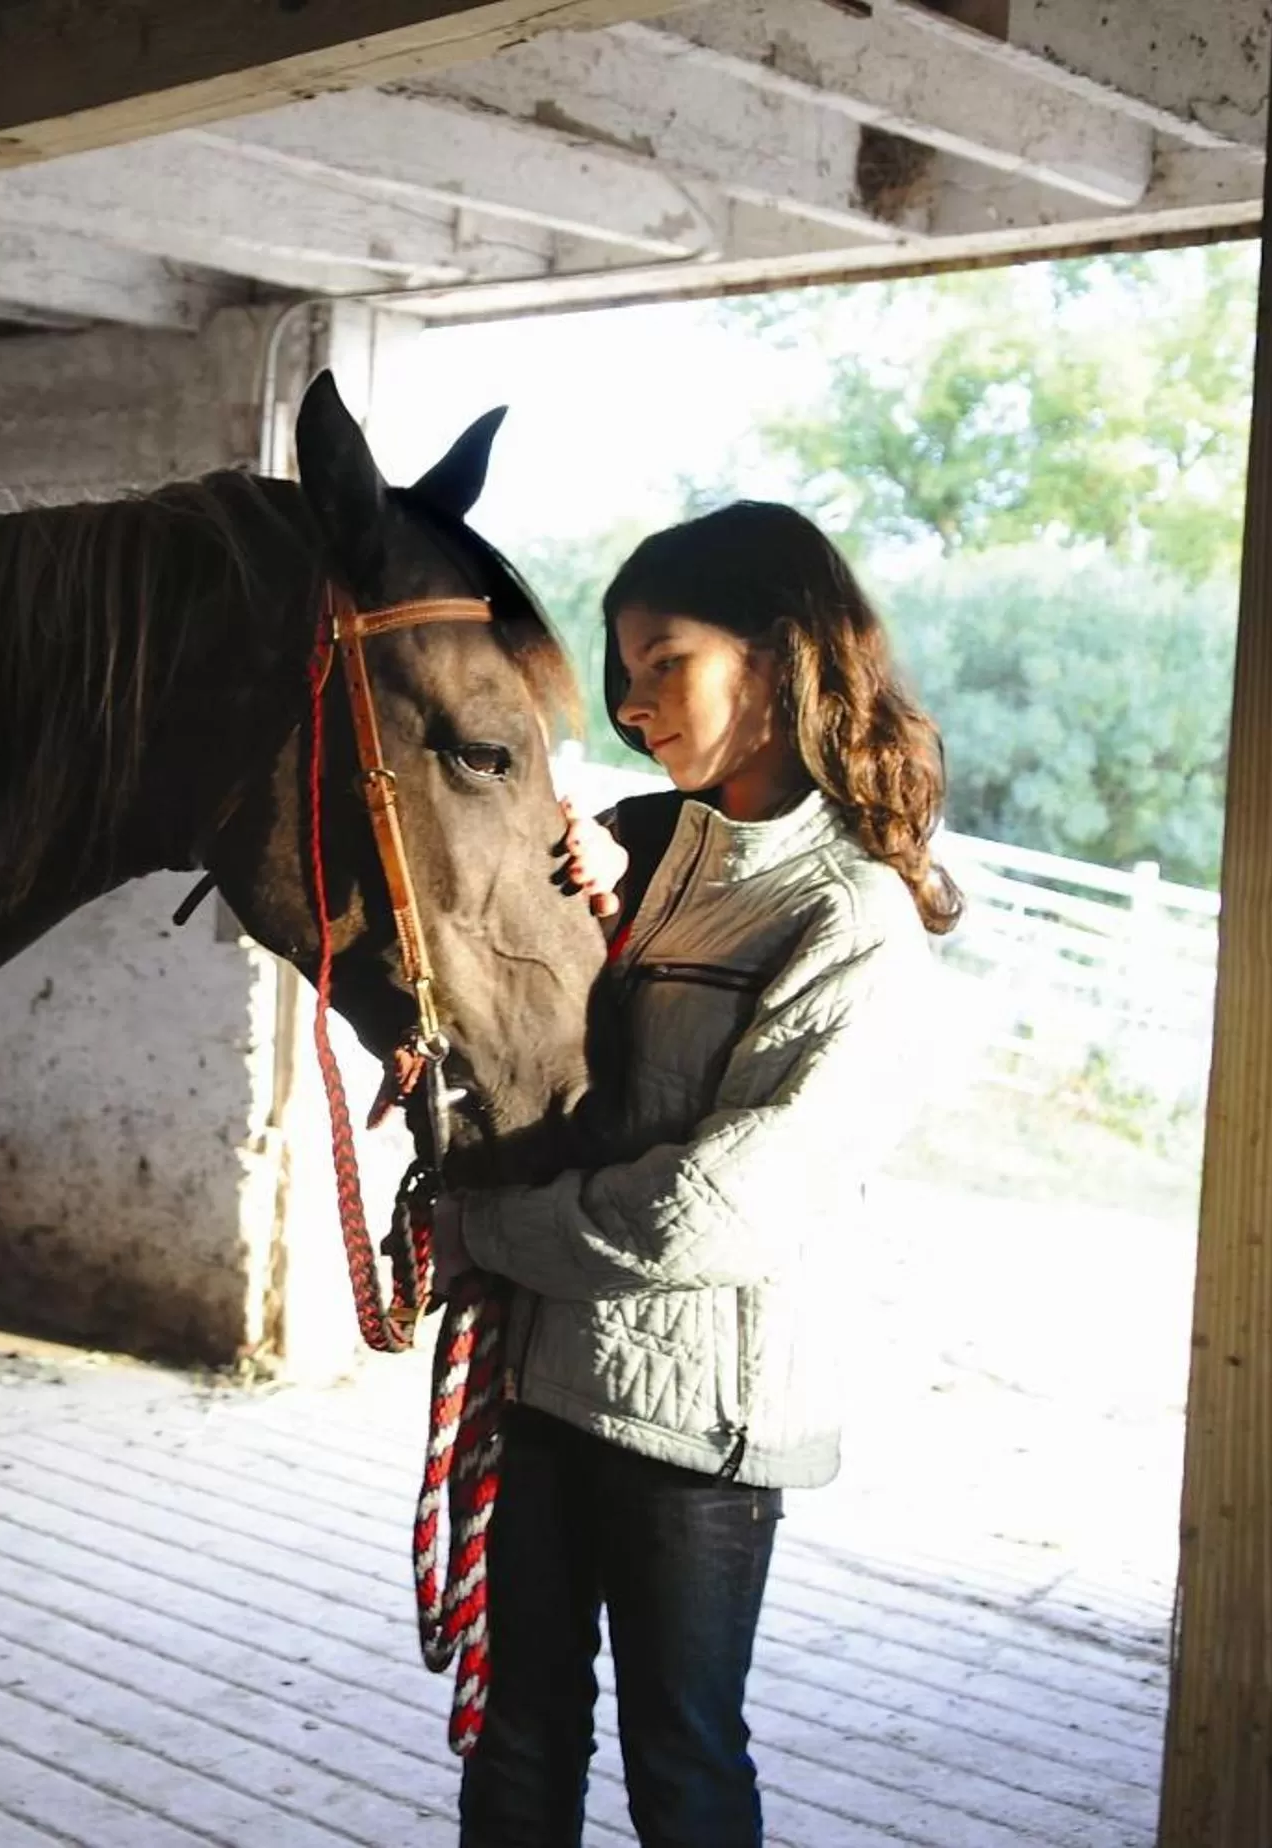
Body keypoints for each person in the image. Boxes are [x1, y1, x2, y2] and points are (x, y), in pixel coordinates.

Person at [433, 500, 962, 1847]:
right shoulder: (632, 846)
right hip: (542, 1382)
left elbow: (714, 1206)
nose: (630, 699)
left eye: (664, 660)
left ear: (781, 661)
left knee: (680, 1760)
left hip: (691, 1431)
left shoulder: (849, 918)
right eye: (622, 668)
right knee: (513, 1737)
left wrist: (486, 1230)